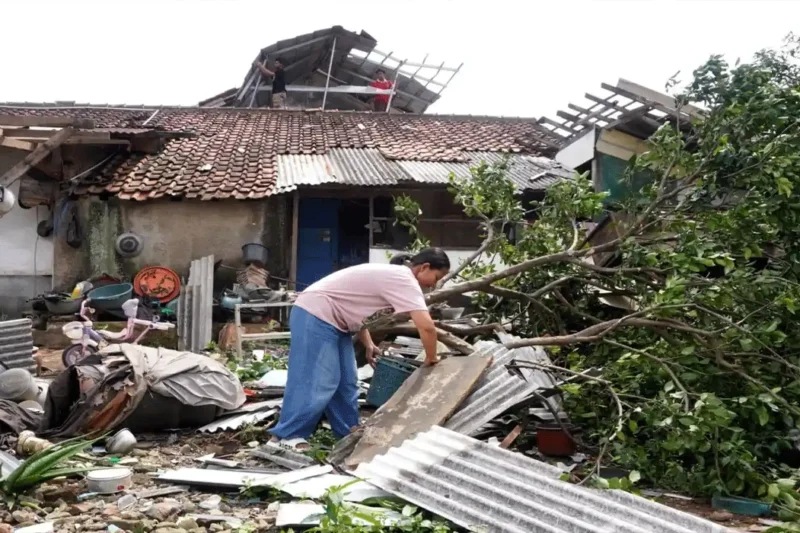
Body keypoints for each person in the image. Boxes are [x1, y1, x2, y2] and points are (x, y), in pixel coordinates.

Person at [268, 248, 450, 450]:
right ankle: (288, 437)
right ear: (424, 267)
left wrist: (369, 343)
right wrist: (432, 358)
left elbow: (357, 307)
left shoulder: (395, 277)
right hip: (316, 314)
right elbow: (426, 326)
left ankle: (348, 432)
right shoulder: (404, 279)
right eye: (437, 277)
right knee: (317, 378)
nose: (434, 284)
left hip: (336, 322)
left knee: (347, 381)